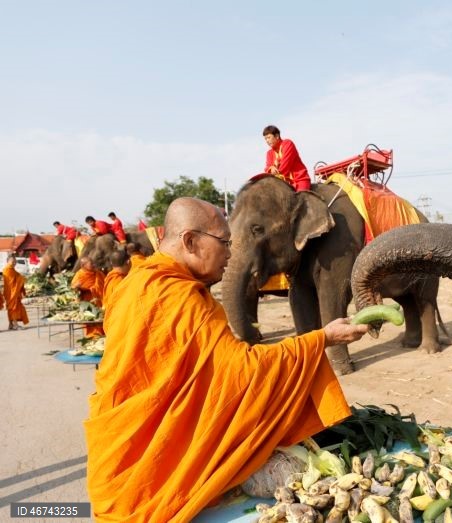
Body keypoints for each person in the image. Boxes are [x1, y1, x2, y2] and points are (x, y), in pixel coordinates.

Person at [84, 197, 368, 521]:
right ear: (190, 241)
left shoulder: (135, 283)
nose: (231, 253)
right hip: (146, 471)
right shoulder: (175, 296)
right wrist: (322, 339)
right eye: (225, 242)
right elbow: (240, 373)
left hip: (115, 461)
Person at [263, 125, 311, 191]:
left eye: (269, 137)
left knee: (300, 200)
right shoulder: (269, 153)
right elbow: (267, 167)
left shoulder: (288, 144)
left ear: (277, 136)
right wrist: (271, 169)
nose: (267, 141)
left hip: (299, 180)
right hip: (283, 183)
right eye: (265, 139)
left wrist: (275, 173)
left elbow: (285, 165)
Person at [71, 256, 105, 338]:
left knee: (101, 321)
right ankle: (92, 337)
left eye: (93, 263)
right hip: (87, 303)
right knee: (90, 321)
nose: (94, 265)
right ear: (83, 265)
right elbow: (73, 289)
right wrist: (77, 288)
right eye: (91, 263)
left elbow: (105, 285)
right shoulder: (79, 275)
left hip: (99, 302)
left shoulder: (99, 274)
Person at [3, 256, 29, 330]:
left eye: (15, 261)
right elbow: (12, 281)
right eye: (12, 261)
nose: (14, 263)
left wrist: (21, 278)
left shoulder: (12, 270)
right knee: (13, 308)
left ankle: (11, 325)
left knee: (11, 309)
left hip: (13, 292)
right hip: (11, 292)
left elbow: (17, 276)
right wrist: (21, 278)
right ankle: (15, 325)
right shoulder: (7, 270)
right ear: (7, 261)